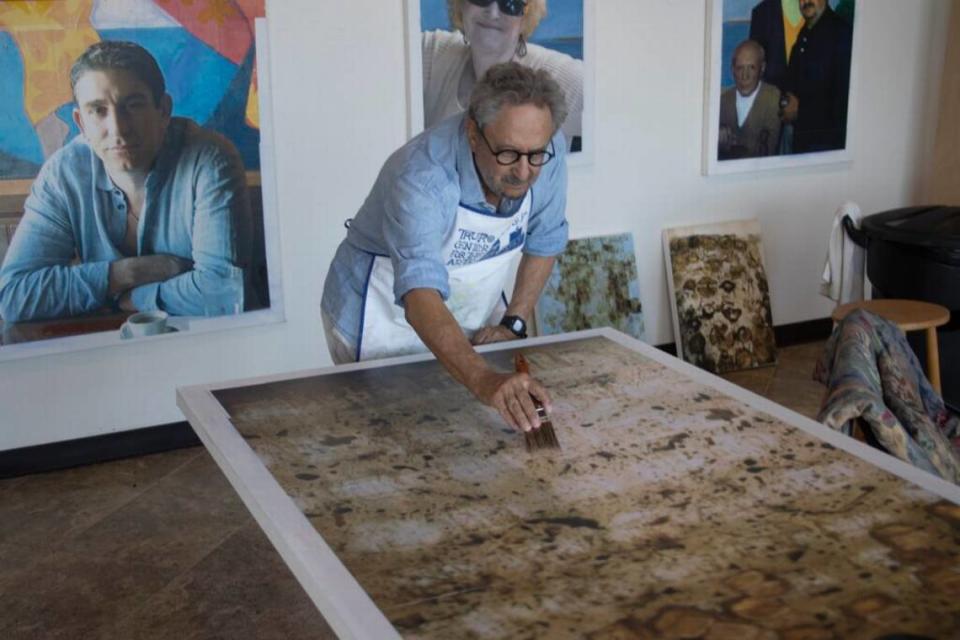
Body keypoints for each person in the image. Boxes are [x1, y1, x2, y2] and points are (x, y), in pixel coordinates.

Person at [321, 62, 569, 433]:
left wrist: (513, 323)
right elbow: (420, 292)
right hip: (383, 315)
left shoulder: (545, 150)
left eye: (535, 155)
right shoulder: (421, 176)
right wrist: (484, 380)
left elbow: (545, 238)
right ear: (473, 134)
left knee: (468, 431)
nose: (523, 171)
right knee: (398, 436)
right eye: (507, 154)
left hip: (470, 305)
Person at [0, 40, 251, 323]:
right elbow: (14, 296)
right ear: (80, 123)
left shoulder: (210, 160)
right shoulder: (64, 174)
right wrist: (129, 273)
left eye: (133, 105)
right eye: (98, 110)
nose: (118, 128)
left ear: (163, 110)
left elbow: (224, 293)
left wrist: (132, 298)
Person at [422, 0, 583, 151]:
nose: (493, 13)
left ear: (525, 16)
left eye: (510, 3)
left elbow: (608, 108)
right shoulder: (433, 53)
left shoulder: (554, 75)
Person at [780, 0, 853, 153]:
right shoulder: (805, 33)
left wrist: (800, 110)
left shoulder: (841, 33)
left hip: (825, 146)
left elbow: (844, 101)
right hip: (803, 139)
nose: (806, 2)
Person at [718, 40, 783, 160]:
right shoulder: (723, 101)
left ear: (762, 68)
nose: (745, 76)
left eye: (751, 68)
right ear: (732, 69)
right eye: (739, 68)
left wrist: (725, 146)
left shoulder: (772, 98)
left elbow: (764, 154)